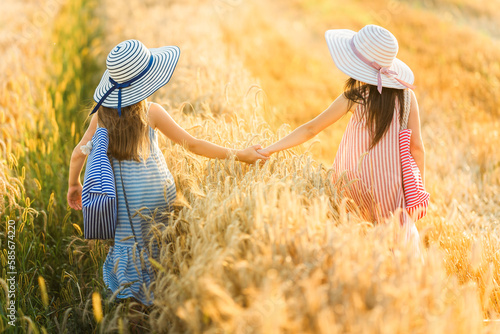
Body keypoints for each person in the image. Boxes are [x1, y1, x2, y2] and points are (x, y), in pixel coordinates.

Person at [67, 40, 267, 306]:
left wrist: (74, 184)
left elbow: (78, 153)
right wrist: (240, 154)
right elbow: (192, 144)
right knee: (159, 245)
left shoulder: (101, 117)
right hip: (155, 197)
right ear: (146, 81)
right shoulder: (152, 112)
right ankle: (161, 302)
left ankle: (132, 305)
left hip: (123, 203)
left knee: (128, 245)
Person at [258, 25, 424, 249]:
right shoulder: (407, 97)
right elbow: (417, 149)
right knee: (395, 244)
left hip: (353, 180)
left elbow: (311, 129)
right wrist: (416, 190)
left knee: (353, 237)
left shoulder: (355, 96)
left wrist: (270, 149)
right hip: (391, 185)